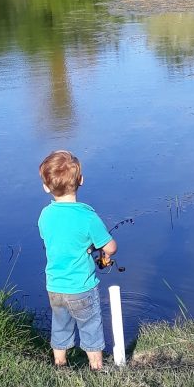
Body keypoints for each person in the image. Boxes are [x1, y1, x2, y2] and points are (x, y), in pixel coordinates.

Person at [38, 150, 117, 369]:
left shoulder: (45, 215)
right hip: (81, 287)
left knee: (60, 325)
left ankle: (60, 363)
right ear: (81, 180)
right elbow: (110, 246)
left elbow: (55, 240)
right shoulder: (87, 216)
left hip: (55, 286)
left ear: (46, 187)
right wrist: (105, 254)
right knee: (90, 326)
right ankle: (96, 367)